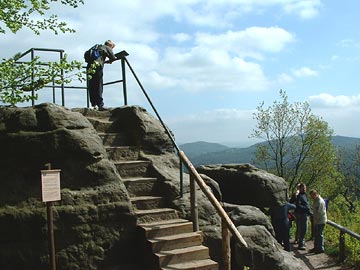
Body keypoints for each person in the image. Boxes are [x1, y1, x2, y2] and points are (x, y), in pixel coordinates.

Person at [87, 40, 117, 110]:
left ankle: (93, 104)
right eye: (112, 47)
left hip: (89, 67)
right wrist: (110, 61)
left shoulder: (97, 47)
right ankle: (100, 105)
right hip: (97, 67)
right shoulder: (107, 47)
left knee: (92, 85)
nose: (112, 49)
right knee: (98, 85)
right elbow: (113, 57)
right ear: (110, 45)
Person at [309, 189, 327, 254]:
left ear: (315, 194)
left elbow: (320, 212)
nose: (311, 198)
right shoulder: (316, 200)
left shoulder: (320, 201)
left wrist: (316, 219)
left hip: (320, 220)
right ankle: (316, 248)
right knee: (316, 235)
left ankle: (320, 249)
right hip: (316, 220)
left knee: (319, 235)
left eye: (312, 196)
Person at [295, 183, 311, 250]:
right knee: (303, 229)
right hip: (302, 214)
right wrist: (306, 208)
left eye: (305, 188)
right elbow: (298, 205)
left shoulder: (304, 195)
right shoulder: (299, 196)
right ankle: (301, 244)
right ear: (300, 188)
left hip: (304, 214)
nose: (304, 189)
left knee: (303, 229)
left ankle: (301, 242)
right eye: (303, 188)